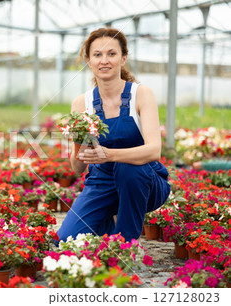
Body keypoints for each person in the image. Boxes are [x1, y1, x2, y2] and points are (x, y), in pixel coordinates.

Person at [57, 28, 171, 243]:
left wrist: (109, 155)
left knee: (128, 167)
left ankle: (125, 244)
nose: (104, 61)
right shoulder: (82, 103)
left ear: (123, 58)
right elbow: (77, 168)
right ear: (89, 61)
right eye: (97, 55)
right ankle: (105, 224)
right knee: (65, 241)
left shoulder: (141, 94)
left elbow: (154, 150)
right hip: (102, 184)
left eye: (112, 53)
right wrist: (79, 143)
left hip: (145, 183)